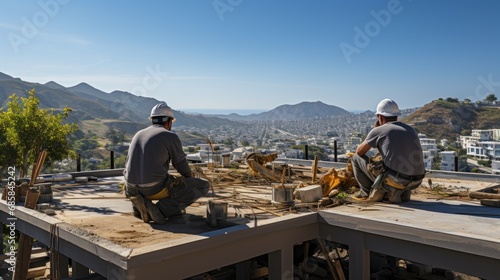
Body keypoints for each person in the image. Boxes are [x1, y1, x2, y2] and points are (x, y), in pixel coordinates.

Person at [124, 102, 210, 224]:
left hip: (130, 188)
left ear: (152, 120)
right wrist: (189, 178)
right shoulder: (169, 136)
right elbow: (181, 165)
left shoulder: (138, 134)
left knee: (164, 180)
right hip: (152, 189)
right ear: (169, 122)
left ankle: (140, 206)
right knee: (203, 185)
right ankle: (159, 211)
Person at [351, 99, 426, 203]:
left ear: (380, 117)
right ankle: (401, 192)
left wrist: (375, 131)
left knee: (355, 158)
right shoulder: (410, 129)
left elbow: (359, 152)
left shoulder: (379, 130)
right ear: (396, 116)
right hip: (417, 180)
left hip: (396, 179)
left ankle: (366, 192)